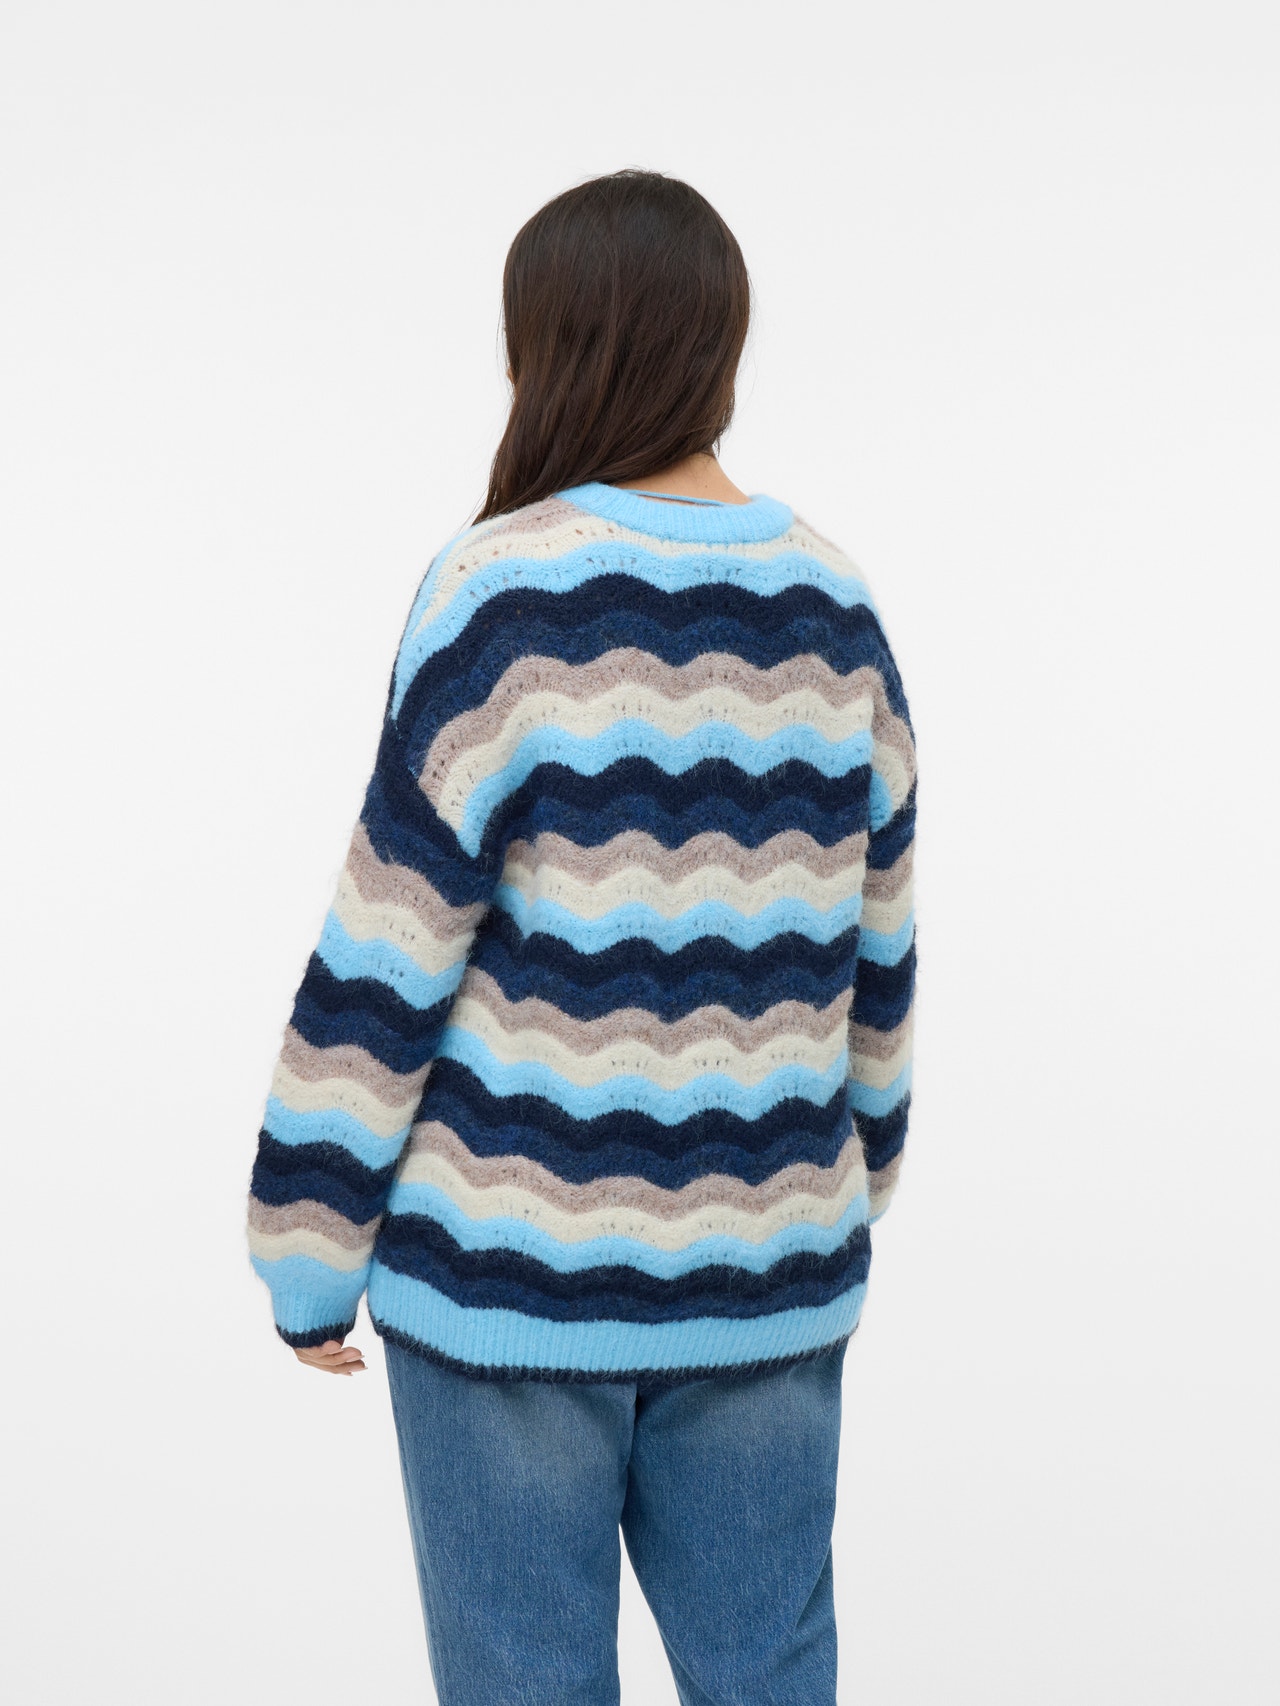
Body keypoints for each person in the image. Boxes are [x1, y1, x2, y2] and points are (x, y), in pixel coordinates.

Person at [246, 168, 916, 1706]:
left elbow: (389, 947)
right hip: (767, 1263)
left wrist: (306, 1239)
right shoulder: (835, 603)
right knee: (771, 1675)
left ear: (547, 347)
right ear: (720, 345)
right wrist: (855, 1171)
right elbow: (877, 942)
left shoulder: (498, 592)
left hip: (514, 1279)